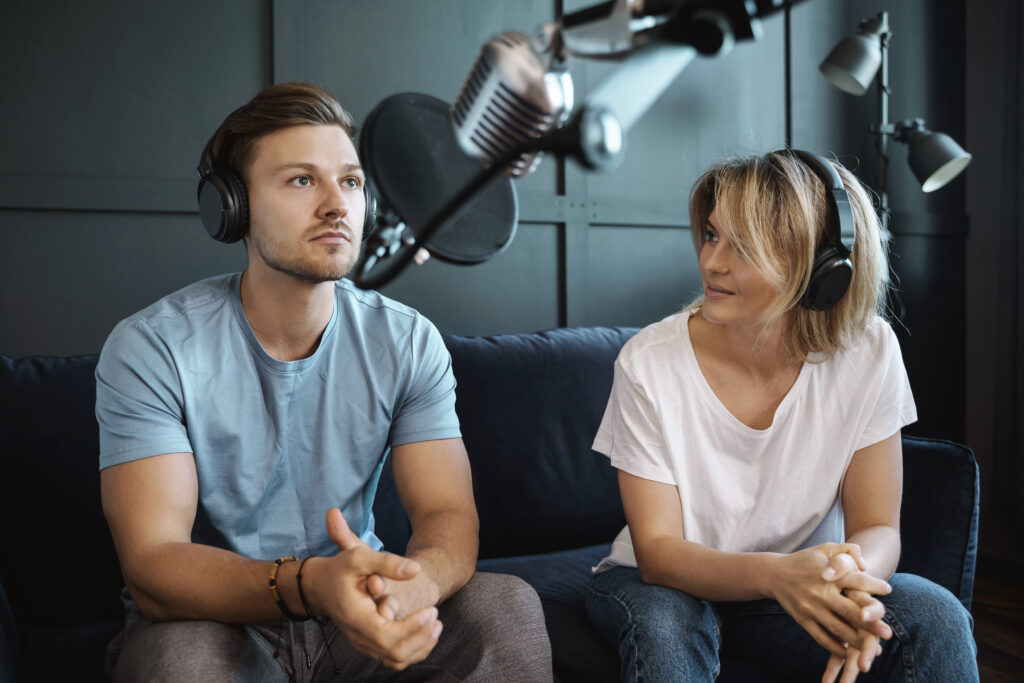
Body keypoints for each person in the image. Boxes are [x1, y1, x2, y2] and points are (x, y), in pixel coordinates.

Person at [97, 82, 551, 682]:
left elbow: (447, 513)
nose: (338, 204)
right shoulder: (153, 347)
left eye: (352, 181)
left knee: (506, 605)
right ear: (233, 207)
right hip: (217, 621)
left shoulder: (409, 342)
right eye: (302, 180)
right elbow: (153, 566)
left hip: (356, 616)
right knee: (180, 660)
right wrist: (311, 586)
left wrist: (413, 592)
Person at [584, 150, 978, 682]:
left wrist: (846, 586)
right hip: (661, 584)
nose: (711, 262)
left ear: (824, 268)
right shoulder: (648, 362)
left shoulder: (870, 351)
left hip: (795, 587)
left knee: (934, 613)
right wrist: (779, 576)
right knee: (666, 624)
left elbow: (879, 526)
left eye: (742, 247)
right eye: (712, 234)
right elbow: (658, 553)